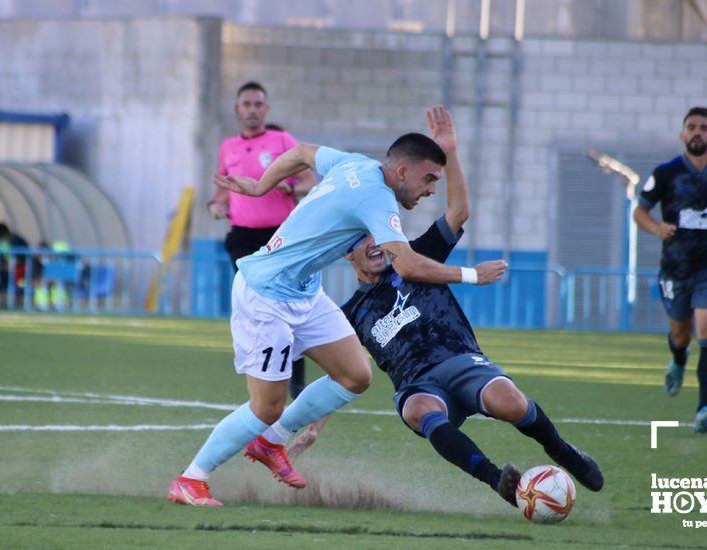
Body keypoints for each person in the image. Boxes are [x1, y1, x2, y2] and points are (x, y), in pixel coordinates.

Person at [168, 106, 495, 507]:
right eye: (429, 179)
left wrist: (260, 187)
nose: (430, 190)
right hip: (265, 294)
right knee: (265, 407)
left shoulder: (355, 164)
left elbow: (303, 152)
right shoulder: (377, 198)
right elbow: (406, 264)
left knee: (355, 375)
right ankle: (191, 478)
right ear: (403, 172)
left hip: (304, 292)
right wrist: (472, 275)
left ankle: (271, 444)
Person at [287, 107, 604, 507]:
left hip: (460, 360)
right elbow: (343, 376)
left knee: (509, 402)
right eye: (362, 239)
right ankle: (497, 480)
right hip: (417, 385)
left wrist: (450, 152)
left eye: (377, 235)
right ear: (345, 252)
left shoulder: (419, 257)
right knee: (419, 410)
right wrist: (312, 430)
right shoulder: (349, 314)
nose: (373, 243)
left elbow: (458, 212)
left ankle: (561, 451)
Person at [633, 106, 707, 434]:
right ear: (682, 134)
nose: (697, 132)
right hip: (675, 268)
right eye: (692, 127)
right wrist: (657, 228)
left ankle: (704, 409)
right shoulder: (666, 172)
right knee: (681, 334)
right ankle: (678, 359)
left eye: (703, 128)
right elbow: (639, 212)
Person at [208, 81, 317, 398]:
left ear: (266, 109)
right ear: (237, 109)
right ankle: (263, 376)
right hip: (242, 237)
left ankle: (294, 380)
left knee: (284, 306)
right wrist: (215, 206)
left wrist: (291, 188)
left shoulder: (282, 140)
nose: (253, 110)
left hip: (279, 237)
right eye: (247, 104)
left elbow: (309, 181)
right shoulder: (228, 147)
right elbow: (222, 191)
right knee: (255, 308)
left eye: (258, 104)